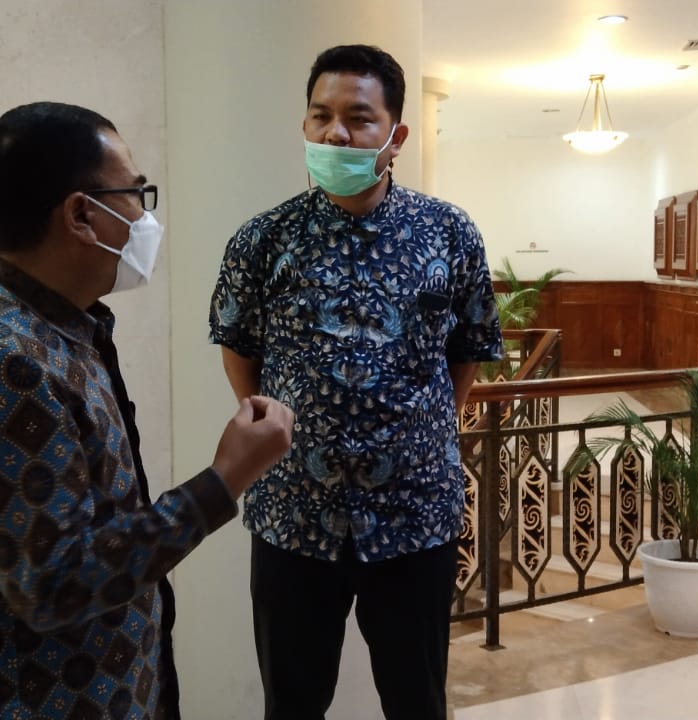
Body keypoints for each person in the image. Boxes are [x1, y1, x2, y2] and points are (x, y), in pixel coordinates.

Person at [0, 101, 296, 719]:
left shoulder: (56, 327)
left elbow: (33, 538)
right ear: (80, 215)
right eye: (135, 194)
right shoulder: (2, 360)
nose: (145, 217)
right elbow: (56, 583)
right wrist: (226, 478)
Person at [208, 44, 503, 720]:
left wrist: (423, 431)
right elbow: (238, 349)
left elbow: (468, 350)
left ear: (395, 136)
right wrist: (280, 435)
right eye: (321, 116)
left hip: (414, 516)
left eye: (358, 118)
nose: (335, 133)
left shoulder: (449, 233)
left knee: (417, 701)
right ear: (305, 125)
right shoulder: (263, 239)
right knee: (292, 703)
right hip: (294, 515)